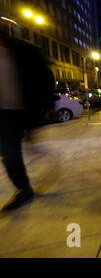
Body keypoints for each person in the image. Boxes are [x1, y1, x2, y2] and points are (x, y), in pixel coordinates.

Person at [0, 21, 55, 212]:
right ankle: (23, 188)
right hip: (4, 114)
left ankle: (23, 185)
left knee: (16, 149)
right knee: (9, 153)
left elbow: (45, 77)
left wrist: (49, 105)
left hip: (25, 110)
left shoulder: (26, 52)